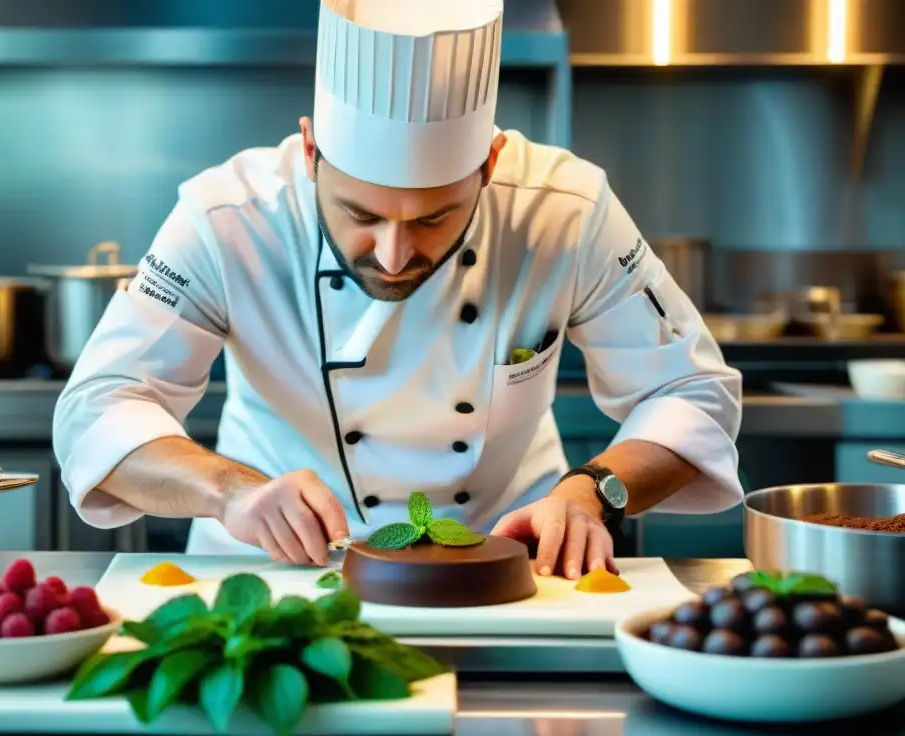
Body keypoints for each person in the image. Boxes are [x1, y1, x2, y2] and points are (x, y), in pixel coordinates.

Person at [52, 0, 743, 580]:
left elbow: (692, 393)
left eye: (435, 217)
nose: (393, 254)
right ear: (312, 150)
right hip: (275, 571)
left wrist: (596, 492)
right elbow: (97, 408)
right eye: (359, 214)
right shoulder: (227, 217)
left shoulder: (565, 210)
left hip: (513, 568)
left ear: (489, 163)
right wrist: (230, 491)